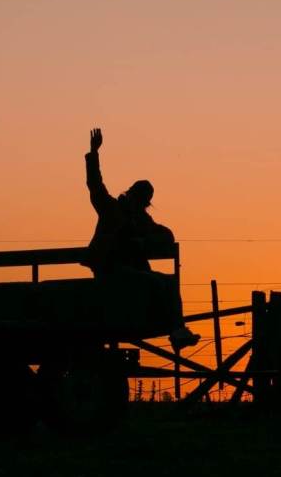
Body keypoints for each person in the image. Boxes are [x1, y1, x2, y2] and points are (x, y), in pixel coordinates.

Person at [84, 128, 198, 348]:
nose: (141, 204)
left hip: (131, 272)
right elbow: (95, 185)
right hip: (111, 270)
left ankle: (177, 330)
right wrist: (93, 153)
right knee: (154, 281)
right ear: (132, 195)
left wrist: (145, 242)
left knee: (169, 282)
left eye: (144, 201)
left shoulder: (142, 221)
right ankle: (175, 328)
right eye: (140, 198)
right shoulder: (111, 209)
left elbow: (166, 235)